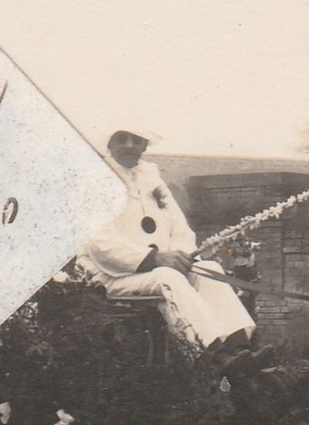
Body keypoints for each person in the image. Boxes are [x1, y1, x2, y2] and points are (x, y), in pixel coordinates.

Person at [77, 129, 259, 353]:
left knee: (209, 268)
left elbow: (180, 229)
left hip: (157, 271)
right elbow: (101, 244)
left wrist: (180, 256)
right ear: (109, 144)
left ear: (145, 146)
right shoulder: (95, 183)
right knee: (168, 277)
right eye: (121, 139)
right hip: (114, 276)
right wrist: (156, 259)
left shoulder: (152, 180)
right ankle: (212, 354)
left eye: (137, 140)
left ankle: (239, 347)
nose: (129, 146)